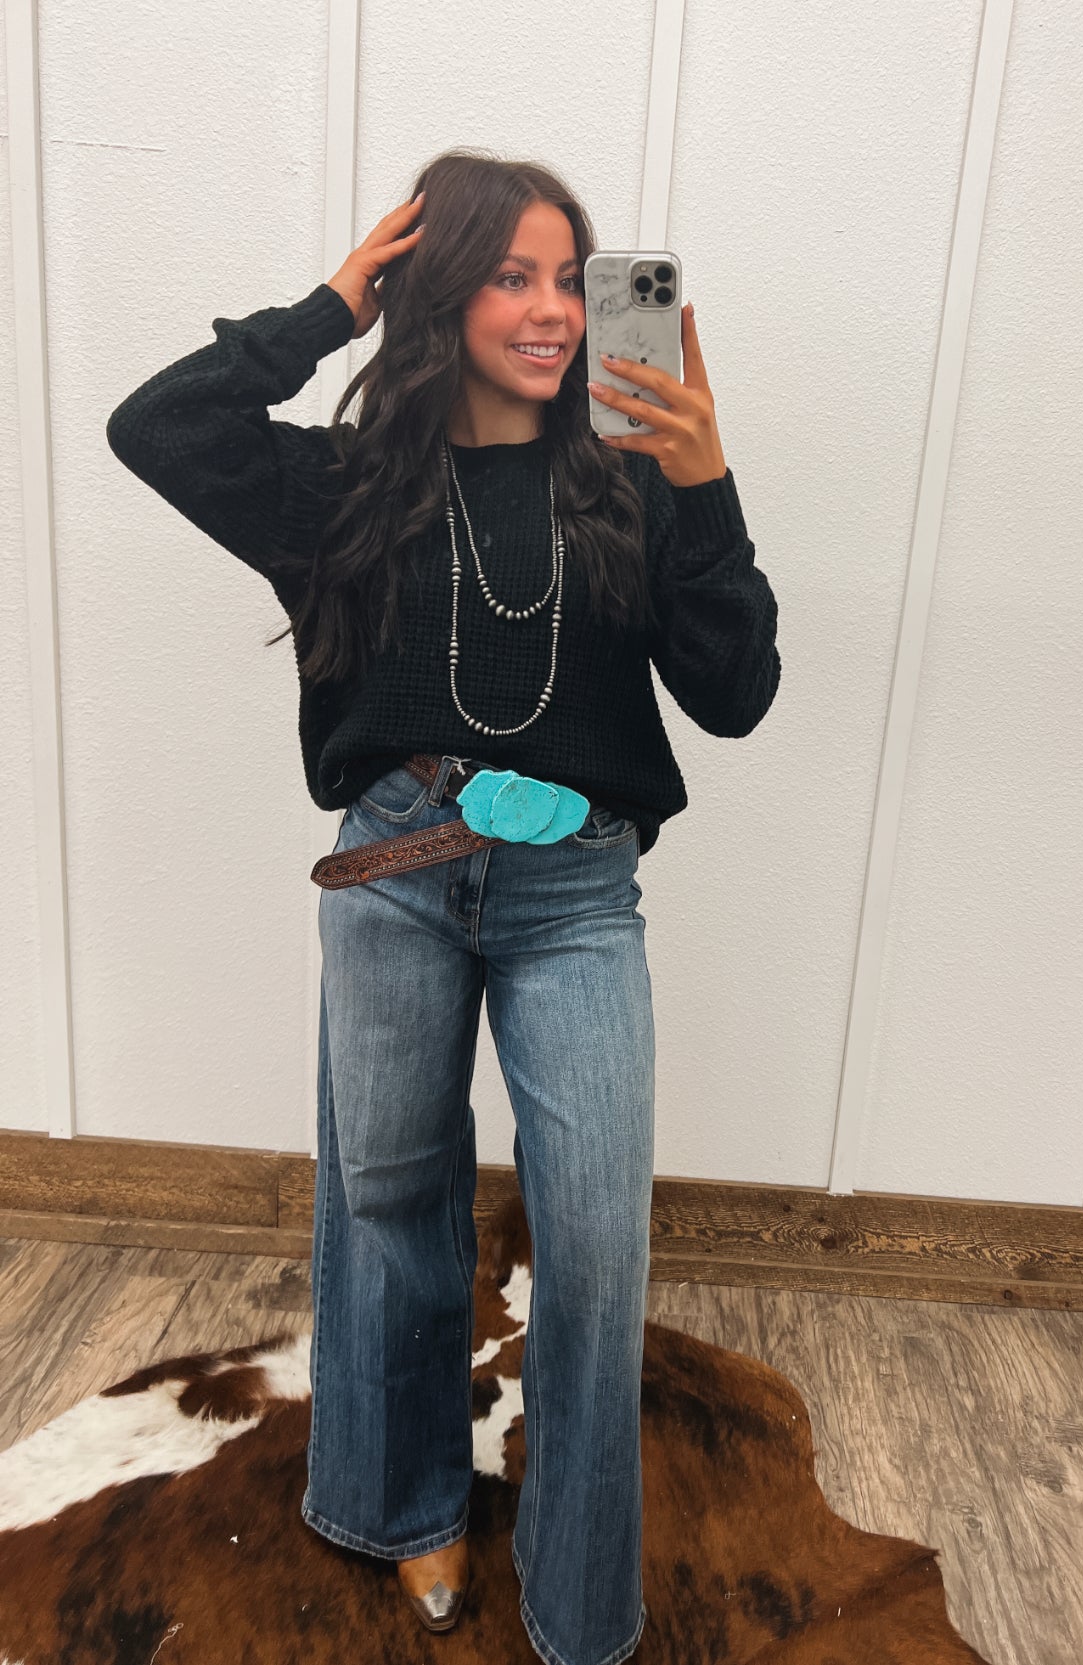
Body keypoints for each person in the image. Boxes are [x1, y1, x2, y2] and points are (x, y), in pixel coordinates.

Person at [105, 148, 780, 1665]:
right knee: (390, 1203)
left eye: (572, 279)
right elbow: (156, 427)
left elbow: (737, 692)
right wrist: (328, 306)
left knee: (593, 1235)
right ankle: (400, 1501)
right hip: (396, 872)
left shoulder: (631, 475)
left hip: (577, 891)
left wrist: (705, 476)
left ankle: (580, 1594)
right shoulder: (346, 486)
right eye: (509, 275)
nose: (552, 310)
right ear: (437, 291)